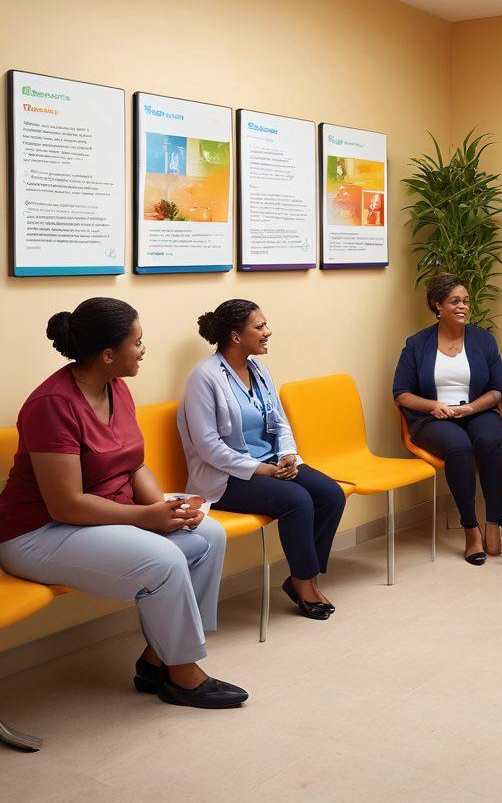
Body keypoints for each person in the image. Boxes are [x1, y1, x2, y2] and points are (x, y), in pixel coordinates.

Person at [0, 298, 247, 709]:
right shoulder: (52, 405)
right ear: (108, 354)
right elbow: (66, 505)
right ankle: (183, 676)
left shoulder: (117, 388)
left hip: (100, 518)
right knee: (163, 561)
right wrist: (149, 518)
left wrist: (170, 511)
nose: (143, 349)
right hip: (37, 533)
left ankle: (157, 660)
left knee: (207, 535)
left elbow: (133, 464)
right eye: (138, 341)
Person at [178, 300, 346, 620]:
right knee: (297, 500)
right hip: (227, 478)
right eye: (260, 327)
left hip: (271, 463)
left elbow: (280, 422)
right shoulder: (205, 377)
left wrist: (286, 456)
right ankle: (304, 582)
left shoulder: (258, 369)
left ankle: (301, 576)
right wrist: (264, 470)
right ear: (235, 336)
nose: (268, 332)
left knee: (330, 495)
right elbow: (208, 447)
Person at [393, 273, 502, 565]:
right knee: (459, 447)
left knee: (488, 440)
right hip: (433, 418)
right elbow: (401, 394)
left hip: (477, 410)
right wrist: (433, 405)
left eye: (466, 301)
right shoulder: (417, 344)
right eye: (455, 301)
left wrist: (471, 408)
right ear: (438, 305)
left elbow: (500, 390)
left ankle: (494, 522)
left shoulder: (483, 340)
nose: (463, 307)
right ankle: (471, 529)